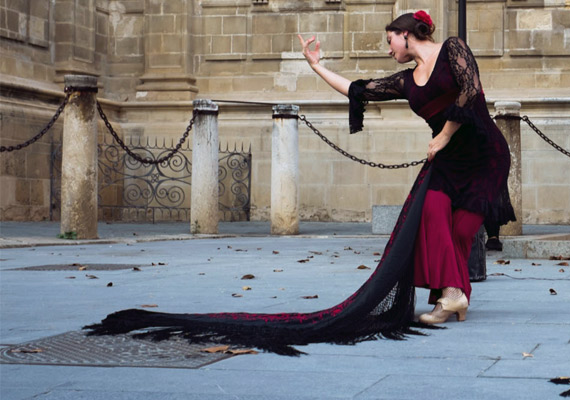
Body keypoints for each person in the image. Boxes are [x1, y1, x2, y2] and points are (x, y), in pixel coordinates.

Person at [86, 11, 516, 354]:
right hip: (445, 161)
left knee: (462, 230)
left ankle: (453, 293)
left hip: (482, 155)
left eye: (389, 40)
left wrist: (441, 136)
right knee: (434, 214)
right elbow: (358, 89)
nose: (388, 49)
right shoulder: (405, 81)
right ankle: (453, 296)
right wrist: (317, 67)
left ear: (406, 34)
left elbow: (469, 91)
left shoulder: (453, 49)